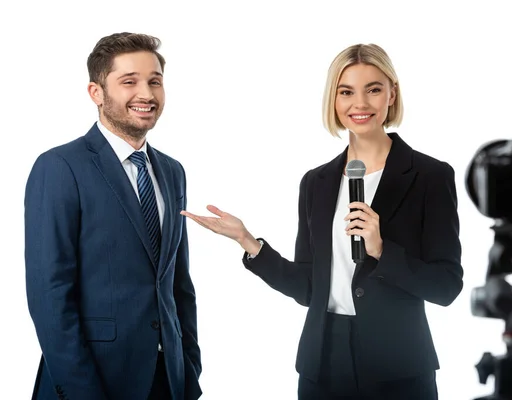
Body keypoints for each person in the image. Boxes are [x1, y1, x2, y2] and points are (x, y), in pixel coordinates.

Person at [182, 43, 463, 399]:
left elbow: (446, 286)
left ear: (392, 94)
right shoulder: (316, 182)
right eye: (346, 92)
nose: (359, 104)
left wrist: (381, 249)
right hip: (323, 363)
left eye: (373, 89)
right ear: (334, 100)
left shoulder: (429, 175)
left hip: (399, 365)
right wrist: (248, 242)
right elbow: (308, 288)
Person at [24, 32, 202, 400]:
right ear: (96, 93)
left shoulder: (172, 171)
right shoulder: (59, 167)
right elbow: (50, 295)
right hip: (92, 381)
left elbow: (177, 283)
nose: (147, 94)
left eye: (155, 81)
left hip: (167, 380)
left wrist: (189, 368)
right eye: (129, 81)